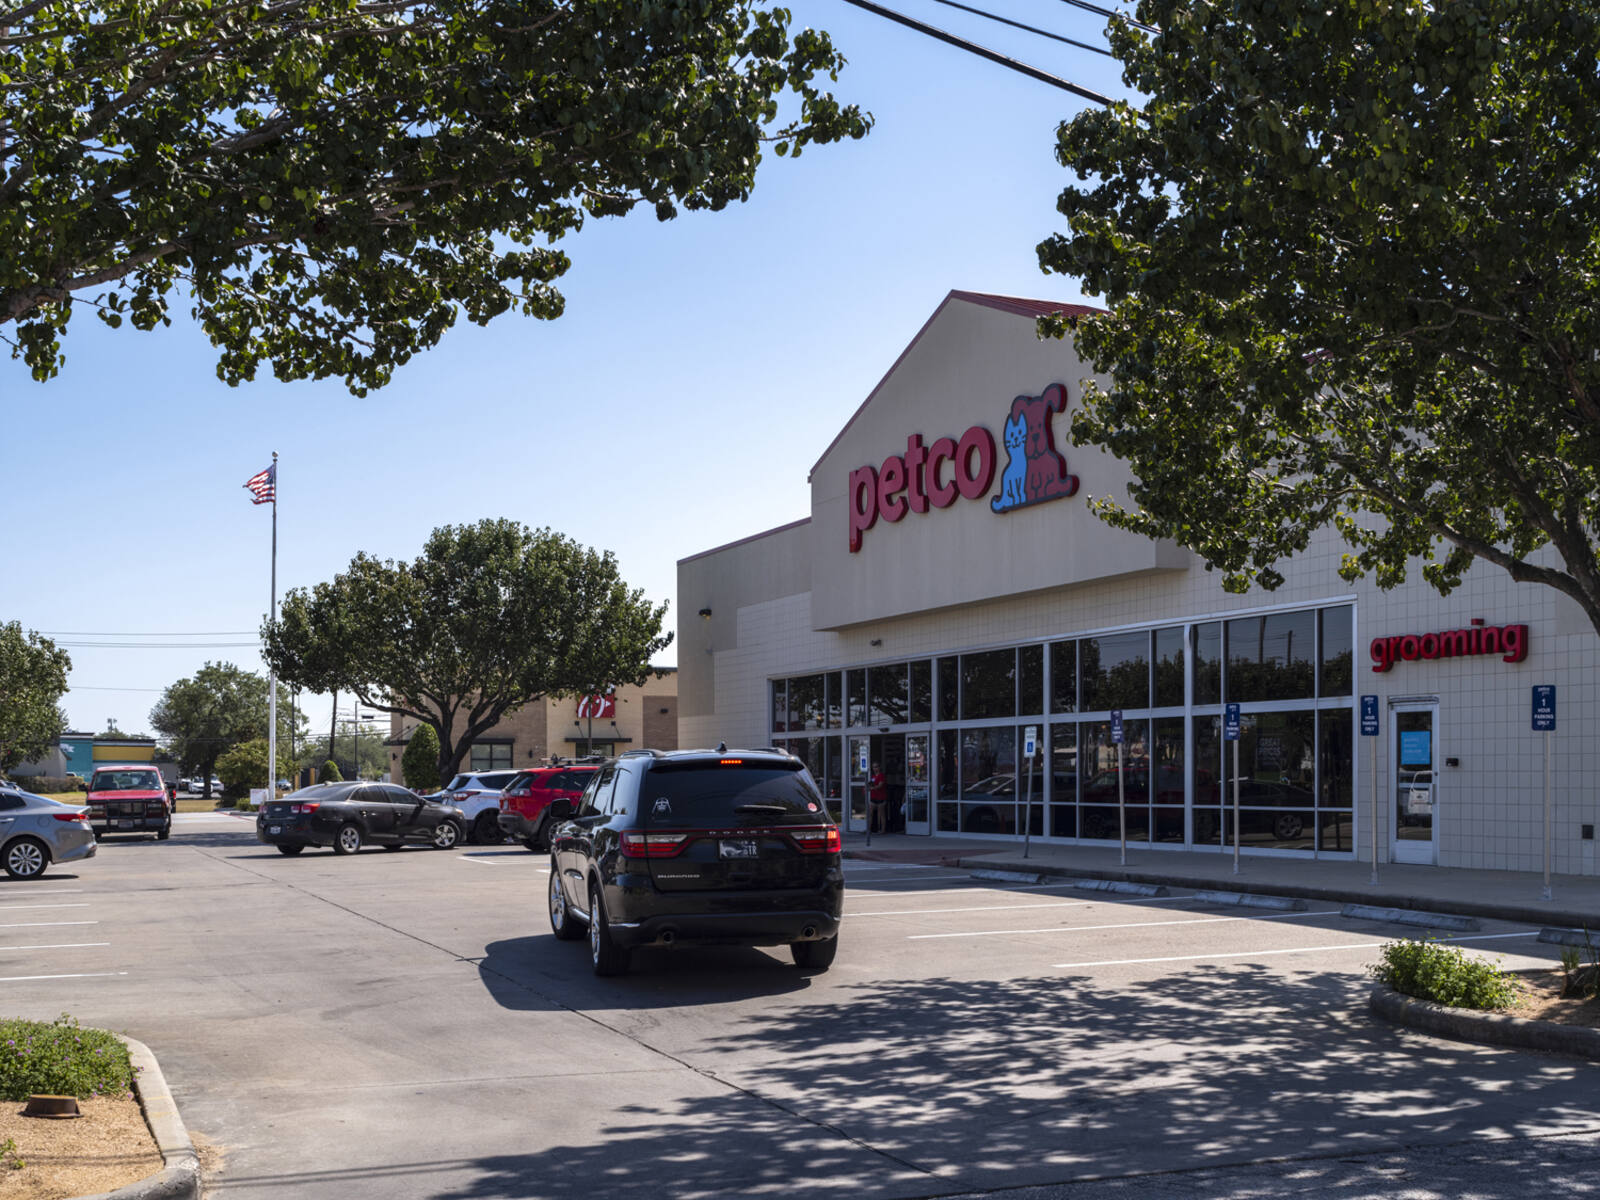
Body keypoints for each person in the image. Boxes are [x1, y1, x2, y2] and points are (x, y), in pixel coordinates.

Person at [868, 763, 888, 833]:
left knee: (881, 814)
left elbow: (880, 785)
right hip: (873, 797)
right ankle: (869, 829)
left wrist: (872, 788)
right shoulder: (873, 776)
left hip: (881, 797)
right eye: (873, 767)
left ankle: (883, 829)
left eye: (876, 767)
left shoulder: (881, 776)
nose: (875, 769)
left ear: (879, 767)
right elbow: (870, 784)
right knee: (870, 813)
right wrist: (869, 787)